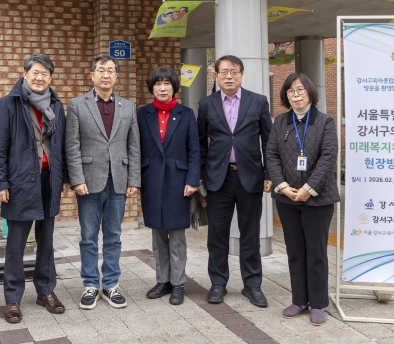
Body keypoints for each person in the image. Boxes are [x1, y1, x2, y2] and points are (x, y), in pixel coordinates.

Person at [0, 54, 69, 323]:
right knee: (16, 243)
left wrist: (64, 176)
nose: (39, 77)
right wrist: (0, 183)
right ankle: (12, 298)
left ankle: (45, 290)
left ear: (50, 78)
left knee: (46, 240)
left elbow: (61, 145)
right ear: (25, 74)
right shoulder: (8, 104)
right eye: (35, 72)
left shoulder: (56, 105)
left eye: (45, 74)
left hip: (49, 179)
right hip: (20, 181)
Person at [65, 54, 141, 310]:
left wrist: (134, 180)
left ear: (116, 75)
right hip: (88, 182)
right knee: (88, 237)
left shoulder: (128, 107)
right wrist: (76, 179)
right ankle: (89, 284)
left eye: (110, 70)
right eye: (101, 70)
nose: (106, 74)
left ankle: (110, 284)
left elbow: (134, 146)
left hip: (118, 181)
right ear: (92, 75)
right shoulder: (77, 105)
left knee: (114, 236)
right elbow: (72, 145)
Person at [198, 55, 272, 308]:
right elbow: (200, 143)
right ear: (216, 75)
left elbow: (268, 141)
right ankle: (218, 283)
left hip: (250, 177)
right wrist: (200, 174)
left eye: (234, 71)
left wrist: (269, 174)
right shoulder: (206, 104)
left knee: (250, 234)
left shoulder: (258, 101)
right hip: (218, 178)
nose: (229, 76)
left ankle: (252, 285)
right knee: (217, 234)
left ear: (241, 74)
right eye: (224, 72)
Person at [266, 73, 339, 326]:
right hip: (287, 199)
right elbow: (272, 155)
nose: (295, 95)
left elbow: (328, 157)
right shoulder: (280, 122)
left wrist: (308, 188)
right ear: (285, 95)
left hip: (318, 199)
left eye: (300, 90)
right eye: (290, 91)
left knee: (316, 252)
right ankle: (299, 300)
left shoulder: (325, 122)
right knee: (295, 251)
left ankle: (318, 303)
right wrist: (283, 187)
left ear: (310, 92)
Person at [137, 67, 200, 306]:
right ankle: (162, 280)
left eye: (167, 84)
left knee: (176, 235)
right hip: (151, 179)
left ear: (174, 87)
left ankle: (178, 283)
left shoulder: (186, 114)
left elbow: (194, 150)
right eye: (157, 84)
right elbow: (135, 149)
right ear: (151, 88)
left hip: (178, 181)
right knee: (157, 235)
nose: (162, 88)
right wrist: (136, 180)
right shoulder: (142, 114)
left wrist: (192, 180)